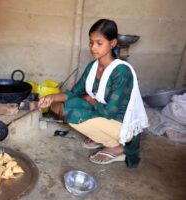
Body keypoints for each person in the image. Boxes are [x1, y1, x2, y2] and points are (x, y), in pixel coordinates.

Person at [38, 19, 149, 167]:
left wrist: (90, 100)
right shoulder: (93, 66)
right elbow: (74, 93)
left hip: (119, 122)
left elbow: (109, 113)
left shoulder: (121, 72)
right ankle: (101, 136)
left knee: (73, 115)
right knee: (64, 105)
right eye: (91, 42)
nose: (93, 47)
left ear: (113, 43)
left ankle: (116, 146)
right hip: (101, 111)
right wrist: (51, 98)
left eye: (99, 43)